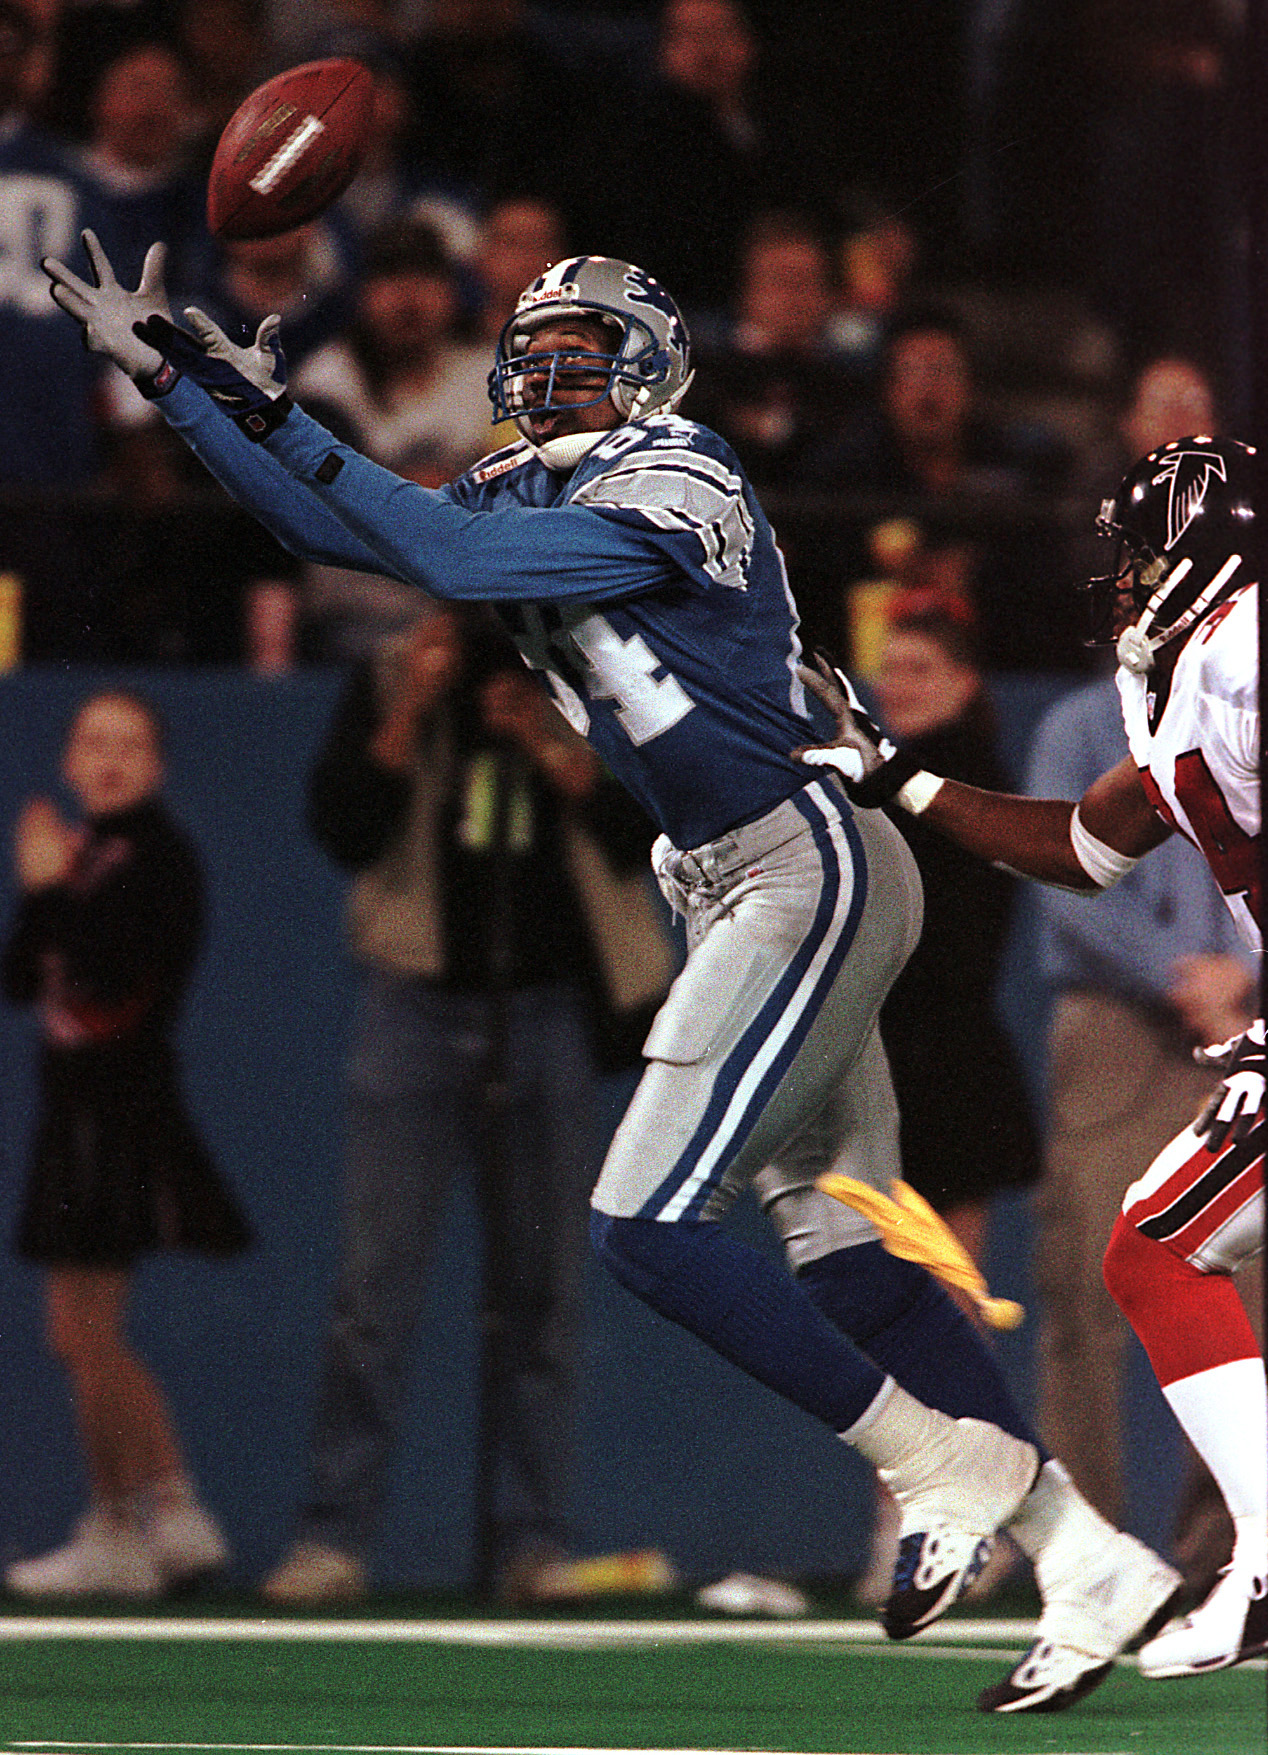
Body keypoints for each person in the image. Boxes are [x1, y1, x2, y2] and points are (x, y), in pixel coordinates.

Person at [44, 236, 1183, 1713]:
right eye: (536, 341)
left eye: (585, 341)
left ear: (651, 361)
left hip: (801, 857)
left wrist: (277, 422)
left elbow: (440, 554)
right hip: (731, 872)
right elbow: (348, 537)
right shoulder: (533, 480)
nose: (550, 363)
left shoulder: (682, 472)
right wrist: (183, 387)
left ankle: (956, 1465)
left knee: (646, 1223)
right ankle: (1091, 1558)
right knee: (841, 1247)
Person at [794, 434, 1265, 1678]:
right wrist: (900, 782)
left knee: (1159, 1243)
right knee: (1153, 1246)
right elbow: (1084, 844)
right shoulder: (1193, 671)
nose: (1121, 580)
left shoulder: (1244, 647)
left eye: (1140, 555)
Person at [263, 603, 676, 1603]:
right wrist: (416, 706)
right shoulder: (398, 671)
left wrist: (542, 736)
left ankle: (532, 1540)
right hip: (414, 1005)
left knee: (542, 1294)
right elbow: (341, 823)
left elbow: (650, 832)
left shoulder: (589, 674)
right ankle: (334, 1536)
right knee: (373, 1288)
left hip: (545, 1013)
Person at [2, 691, 250, 1599]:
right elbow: (23, 978)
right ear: (69, 761)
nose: (109, 758)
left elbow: (106, 976)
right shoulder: (88, 857)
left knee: (85, 1328)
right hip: (75, 1111)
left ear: (156, 766)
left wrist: (45, 890)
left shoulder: (157, 858)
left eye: (129, 743)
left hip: (121, 1110)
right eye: (93, 741)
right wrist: (44, 893)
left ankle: (147, 1515)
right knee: (79, 1330)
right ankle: (148, 1517)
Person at [1025, 671, 1258, 1598]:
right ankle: (1089, 1556)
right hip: (1117, 1025)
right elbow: (1061, 872)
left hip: (1249, 1022)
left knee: (1252, 1292)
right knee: (1086, 1287)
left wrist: (1239, 973)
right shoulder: (1079, 721)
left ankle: (1231, 1560)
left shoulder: (1247, 704)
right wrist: (1184, 975)